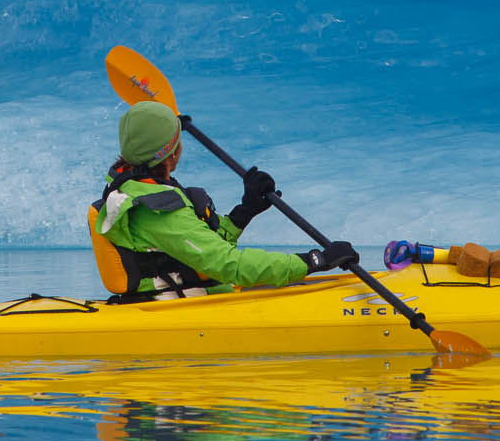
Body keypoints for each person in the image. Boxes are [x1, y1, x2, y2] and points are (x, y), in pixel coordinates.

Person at [91, 100, 359, 299]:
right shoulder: (156, 207)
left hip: (191, 298)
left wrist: (245, 211)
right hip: (175, 310)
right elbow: (227, 265)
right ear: (172, 153)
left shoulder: (137, 188)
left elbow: (202, 248)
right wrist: (314, 261)